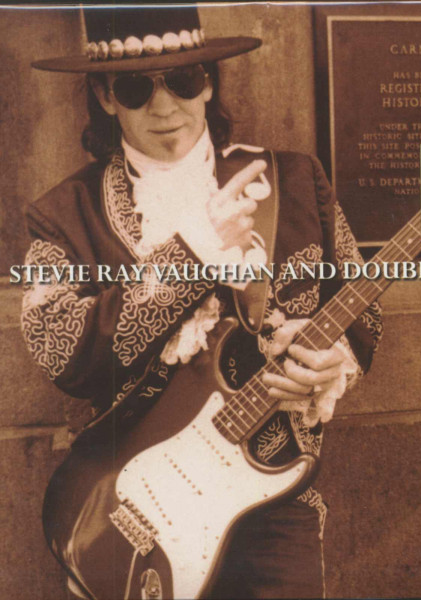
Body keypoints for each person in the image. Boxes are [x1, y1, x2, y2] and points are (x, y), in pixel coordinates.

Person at [22, 6, 383, 599]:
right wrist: (192, 253)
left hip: (273, 497)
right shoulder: (64, 215)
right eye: (135, 90)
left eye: (183, 81)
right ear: (105, 96)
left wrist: (330, 359)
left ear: (209, 83)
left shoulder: (296, 180)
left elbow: (361, 308)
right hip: (131, 512)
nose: (164, 108)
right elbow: (63, 353)